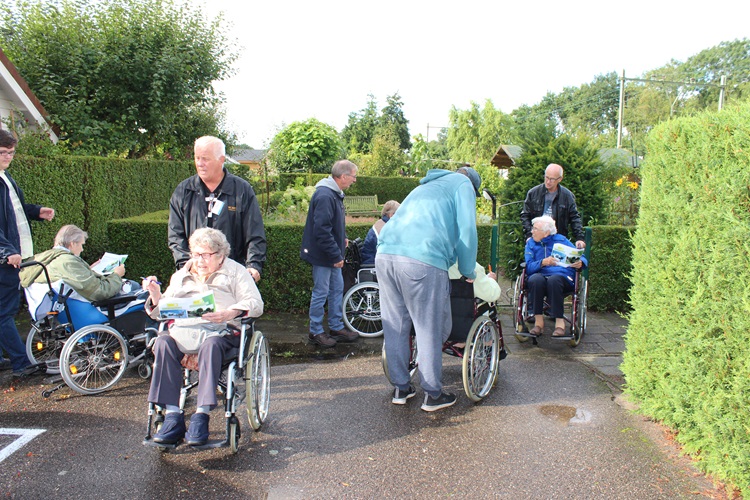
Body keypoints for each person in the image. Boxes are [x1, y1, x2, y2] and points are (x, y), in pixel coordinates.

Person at [143, 228, 263, 446]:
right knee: (162, 342)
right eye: (196, 254)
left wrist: (231, 312)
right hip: (185, 333)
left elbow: (256, 303)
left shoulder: (236, 272)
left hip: (221, 333)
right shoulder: (181, 276)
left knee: (211, 344)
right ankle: (172, 416)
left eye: (205, 255)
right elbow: (159, 312)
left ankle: (201, 415)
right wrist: (154, 295)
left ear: (220, 256)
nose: (199, 260)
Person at [376, 165, 481, 412]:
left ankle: (401, 388)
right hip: (421, 260)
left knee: (396, 326)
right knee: (428, 326)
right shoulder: (463, 184)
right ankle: (433, 394)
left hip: (386, 255)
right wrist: (468, 270)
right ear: (472, 184)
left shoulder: (423, 187)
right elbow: (467, 229)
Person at [168, 135, 266, 282]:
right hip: (194, 276)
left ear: (221, 160)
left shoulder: (241, 190)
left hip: (232, 276)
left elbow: (254, 232)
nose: (200, 164)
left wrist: (253, 265)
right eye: (197, 158)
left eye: (205, 159)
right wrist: (187, 266)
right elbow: (175, 236)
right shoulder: (184, 191)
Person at [0, 129, 55, 377]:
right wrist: (7, 251)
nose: (8, 157)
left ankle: (5, 359)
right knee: (5, 312)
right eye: (3, 153)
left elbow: (15, 210)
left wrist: (36, 211)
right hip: (6, 260)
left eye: (11, 152)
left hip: (13, 255)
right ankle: (22, 363)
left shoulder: (5, 177)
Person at [300, 160, 360, 348]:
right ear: (343, 176)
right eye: (353, 176)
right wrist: (335, 256)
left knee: (336, 290)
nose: (354, 180)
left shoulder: (334, 194)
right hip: (324, 255)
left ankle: (335, 327)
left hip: (332, 254)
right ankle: (315, 331)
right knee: (321, 292)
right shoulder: (326, 195)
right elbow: (322, 230)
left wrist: (344, 238)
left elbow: (333, 226)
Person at [20, 224, 127, 302]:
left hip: (61, 310)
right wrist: (117, 275)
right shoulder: (68, 262)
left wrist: (88, 269)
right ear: (72, 244)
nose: (82, 249)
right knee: (134, 288)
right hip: (87, 311)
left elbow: (72, 278)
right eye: (81, 244)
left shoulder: (44, 258)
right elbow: (100, 292)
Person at [524, 215, 587, 337]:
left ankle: (559, 323)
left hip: (561, 276)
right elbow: (528, 267)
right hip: (540, 274)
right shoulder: (531, 244)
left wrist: (581, 262)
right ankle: (538, 323)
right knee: (535, 280)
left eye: (536, 229)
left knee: (554, 280)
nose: (532, 231)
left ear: (546, 232)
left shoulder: (561, 240)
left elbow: (580, 256)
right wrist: (543, 262)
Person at [520, 163, 585, 249]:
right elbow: (525, 216)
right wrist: (529, 235)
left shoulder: (567, 196)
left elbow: (574, 218)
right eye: (546, 177)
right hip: (537, 239)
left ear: (560, 179)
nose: (548, 181)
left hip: (558, 240)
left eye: (552, 179)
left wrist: (579, 238)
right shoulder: (533, 193)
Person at [360, 200, 400, 266]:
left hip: (374, 261)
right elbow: (391, 251)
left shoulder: (382, 223)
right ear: (391, 215)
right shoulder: (384, 229)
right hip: (374, 265)